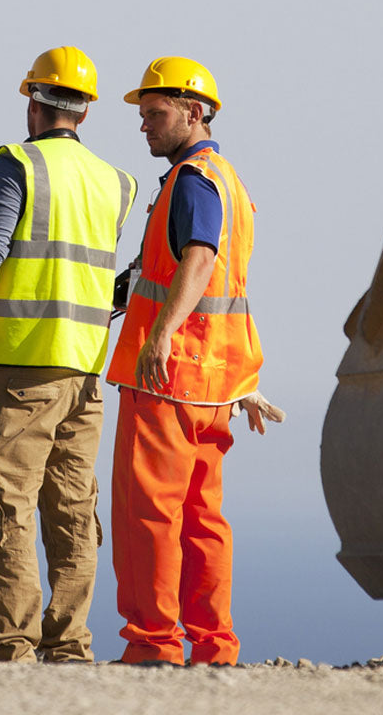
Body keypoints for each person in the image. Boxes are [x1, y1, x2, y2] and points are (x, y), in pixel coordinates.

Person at [0, 45, 136, 663]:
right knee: (73, 509)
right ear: (85, 110)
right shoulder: (117, 181)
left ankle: (10, 645)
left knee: (7, 502)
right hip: (84, 372)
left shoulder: (18, 164)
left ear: (33, 100)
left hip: (21, 365)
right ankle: (70, 644)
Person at [105, 56, 282, 667]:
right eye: (143, 115)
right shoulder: (229, 178)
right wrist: (247, 383)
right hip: (213, 387)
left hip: (167, 379)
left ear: (195, 112)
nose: (145, 125)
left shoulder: (192, 179)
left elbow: (201, 259)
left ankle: (153, 645)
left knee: (147, 515)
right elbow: (228, 287)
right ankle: (214, 646)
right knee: (204, 521)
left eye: (155, 114)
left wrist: (159, 336)